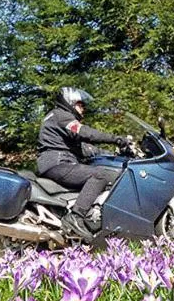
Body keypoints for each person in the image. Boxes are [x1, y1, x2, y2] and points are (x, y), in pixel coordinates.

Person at [37, 87, 127, 240]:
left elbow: (85, 149)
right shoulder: (61, 116)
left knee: (102, 172)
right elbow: (85, 133)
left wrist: (112, 155)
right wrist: (115, 139)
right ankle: (75, 217)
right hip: (57, 163)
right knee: (100, 175)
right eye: (80, 104)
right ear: (69, 102)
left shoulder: (58, 121)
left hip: (59, 162)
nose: (83, 108)